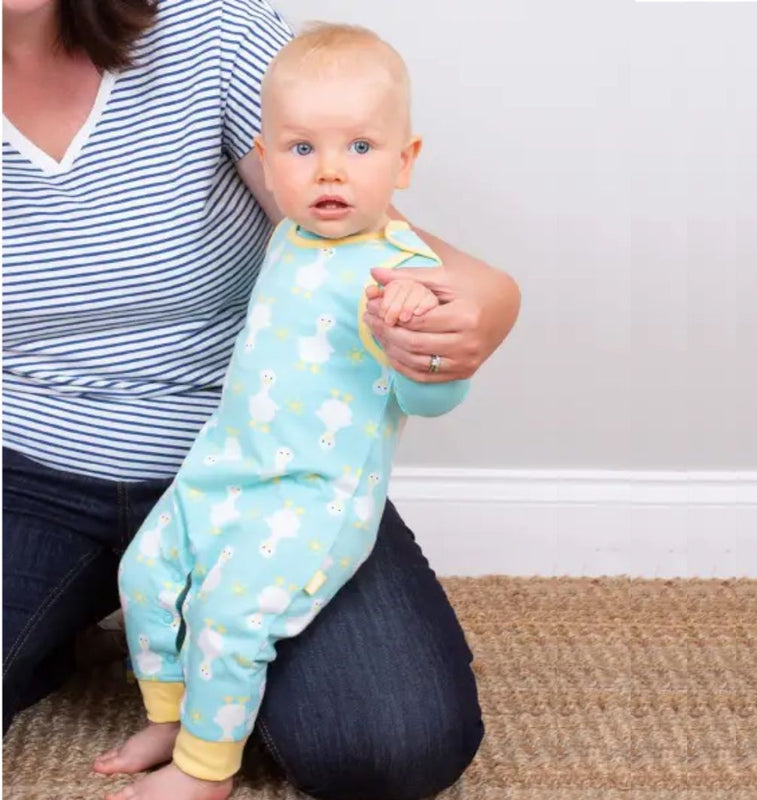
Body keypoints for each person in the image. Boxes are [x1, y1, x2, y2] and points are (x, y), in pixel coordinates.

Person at [2, 2, 521, 799]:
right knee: (146, 580)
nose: (329, 166)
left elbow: (366, 227)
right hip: (28, 472)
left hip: (263, 475)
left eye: (349, 150)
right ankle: (93, 638)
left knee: (389, 745)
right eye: (304, 151)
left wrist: (487, 302)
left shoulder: (213, 34)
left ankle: (190, 734)